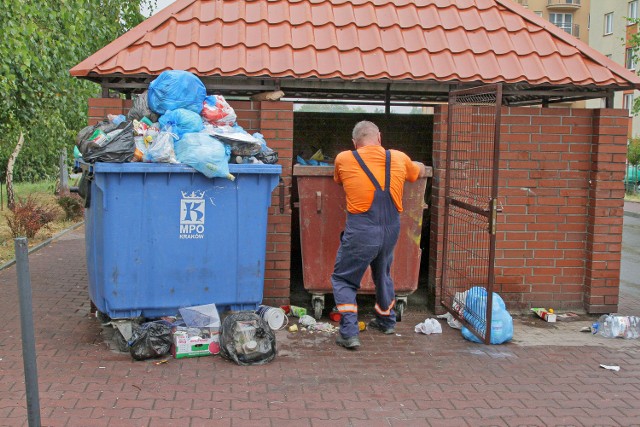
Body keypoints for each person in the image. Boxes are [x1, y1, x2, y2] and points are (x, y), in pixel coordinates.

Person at [331, 120, 428, 350]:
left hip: (362, 229)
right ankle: (386, 320)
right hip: (390, 227)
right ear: (379, 138)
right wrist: (419, 163)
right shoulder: (399, 157)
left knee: (343, 279)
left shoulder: (344, 158)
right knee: (382, 272)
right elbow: (418, 172)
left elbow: (338, 179)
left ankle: (349, 333)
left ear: (355, 143)